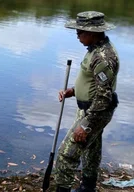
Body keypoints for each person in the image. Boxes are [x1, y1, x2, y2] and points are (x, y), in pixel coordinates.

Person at [54, 11, 119, 192]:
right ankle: (88, 188)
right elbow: (94, 84)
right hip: (89, 109)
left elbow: (104, 96)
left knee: (67, 155)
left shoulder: (103, 57)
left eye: (80, 32)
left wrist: (86, 124)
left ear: (92, 33)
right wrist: (73, 92)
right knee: (91, 150)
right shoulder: (94, 50)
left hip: (94, 113)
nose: (77, 36)